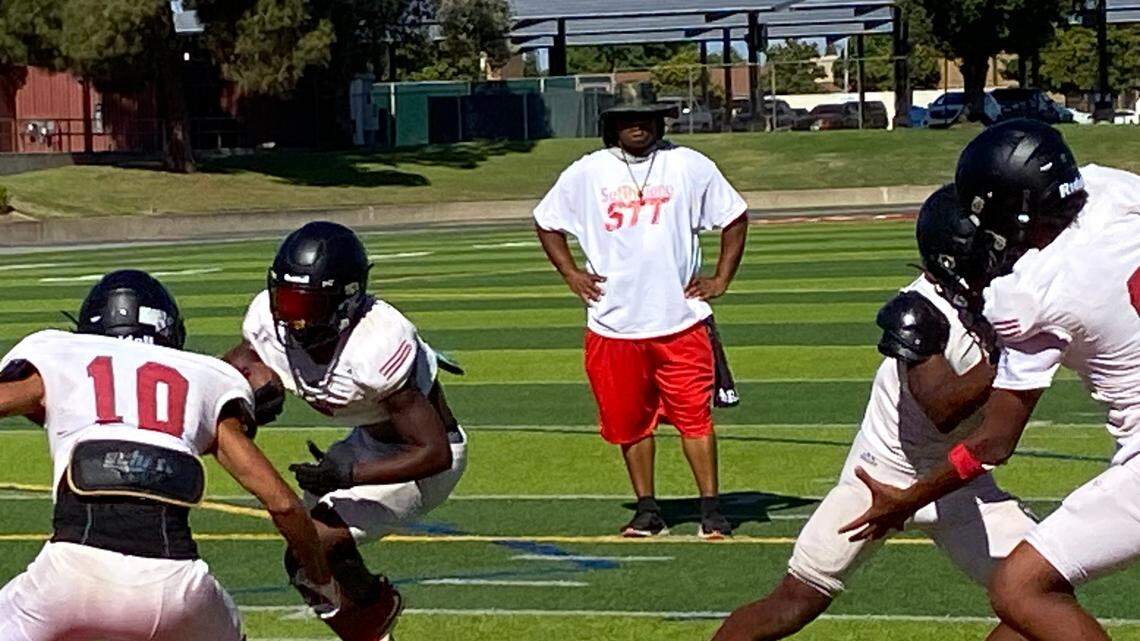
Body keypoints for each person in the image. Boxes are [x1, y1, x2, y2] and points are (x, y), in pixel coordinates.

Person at [842, 119, 1140, 641]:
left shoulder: (1029, 293)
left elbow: (994, 442)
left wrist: (907, 500)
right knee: (1028, 618)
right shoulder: (1113, 190)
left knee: (1018, 587)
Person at [711, 186, 1035, 641]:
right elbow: (941, 406)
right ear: (955, 257)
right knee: (794, 601)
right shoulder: (919, 310)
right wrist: (1009, 358)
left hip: (958, 479)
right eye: (994, 247)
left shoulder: (1001, 296)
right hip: (883, 476)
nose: (1008, 256)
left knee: (1040, 597)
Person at [0, 270, 337, 641]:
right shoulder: (205, 376)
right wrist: (321, 580)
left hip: (67, 578)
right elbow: (284, 505)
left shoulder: (62, 353)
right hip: (177, 590)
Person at [226, 220, 467, 641]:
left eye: (309, 307)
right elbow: (243, 359)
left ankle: (375, 609)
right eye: (287, 301)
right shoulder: (268, 317)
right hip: (365, 443)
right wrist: (245, 388)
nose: (294, 321)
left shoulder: (376, 343)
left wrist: (348, 476)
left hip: (418, 463)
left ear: (346, 300)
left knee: (312, 546)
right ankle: (374, 620)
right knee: (310, 559)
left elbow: (434, 452)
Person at [534, 82, 749, 539]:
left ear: (660, 120)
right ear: (611, 125)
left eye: (646, 116)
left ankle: (711, 509)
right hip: (613, 324)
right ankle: (648, 510)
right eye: (628, 118)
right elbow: (547, 221)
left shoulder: (689, 164)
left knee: (695, 417)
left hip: (681, 320)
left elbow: (735, 216)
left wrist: (721, 279)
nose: (638, 125)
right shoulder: (587, 171)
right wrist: (571, 274)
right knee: (630, 422)